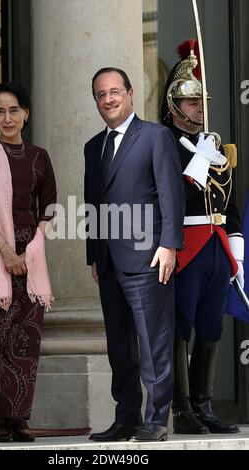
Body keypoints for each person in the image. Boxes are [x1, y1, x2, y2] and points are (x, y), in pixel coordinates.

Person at [84, 67, 185, 442]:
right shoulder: (93, 146)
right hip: (109, 261)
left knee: (154, 342)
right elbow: (94, 200)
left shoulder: (156, 136)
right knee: (120, 348)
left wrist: (169, 244)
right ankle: (125, 417)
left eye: (114, 91)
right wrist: (94, 252)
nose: (108, 99)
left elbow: (170, 193)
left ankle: (157, 419)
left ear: (129, 93)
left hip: (150, 257)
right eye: (100, 94)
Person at [160, 40, 244, 434]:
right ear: (174, 105)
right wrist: (198, 158)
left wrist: (237, 250)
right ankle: (182, 409)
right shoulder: (162, 144)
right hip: (186, 245)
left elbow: (232, 202)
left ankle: (203, 405)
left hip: (216, 244)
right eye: (191, 102)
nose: (199, 108)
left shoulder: (216, 145)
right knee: (181, 326)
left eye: (201, 101)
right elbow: (173, 192)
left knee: (212, 325)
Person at [0, 82, 56, 442]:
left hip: (31, 254)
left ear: (26, 114)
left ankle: (18, 418)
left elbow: (49, 208)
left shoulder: (39, 157)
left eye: (14, 110)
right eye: (0, 111)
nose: (7, 118)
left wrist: (30, 251)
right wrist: (6, 251)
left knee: (25, 340)